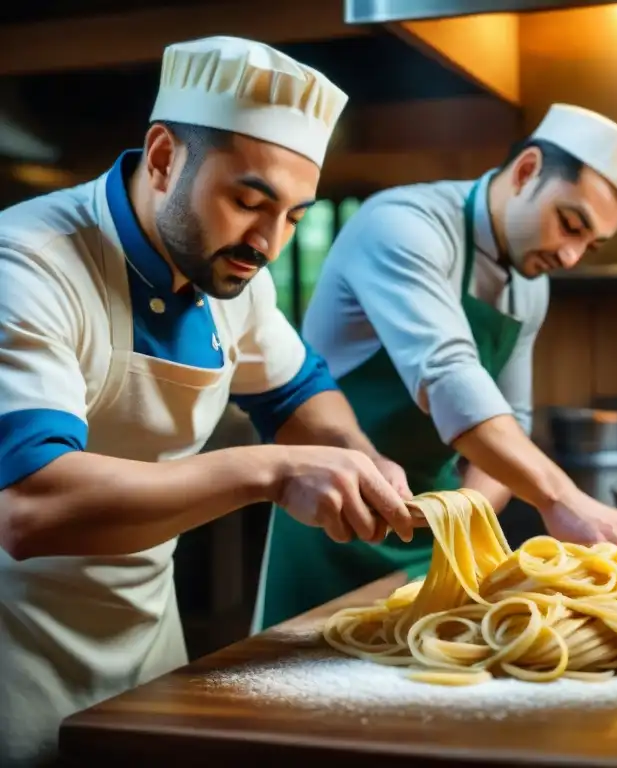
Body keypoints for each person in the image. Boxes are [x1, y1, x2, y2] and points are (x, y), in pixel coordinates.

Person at [0, 36, 418, 766]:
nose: (268, 243)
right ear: (162, 158)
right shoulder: (29, 264)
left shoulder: (231, 272)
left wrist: (362, 463)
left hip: (148, 641)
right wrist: (273, 472)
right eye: (248, 201)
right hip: (17, 648)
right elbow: (30, 508)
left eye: (292, 216)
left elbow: (301, 391)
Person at [254, 103, 617, 631]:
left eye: (590, 243)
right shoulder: (402, 226)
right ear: (526, 171)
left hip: (431, 532)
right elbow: (450, 381)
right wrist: (562, 499)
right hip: (331, 519)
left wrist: (460, 523)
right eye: (570, 224)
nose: (571, 256)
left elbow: (510, 421)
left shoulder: (529, 287)